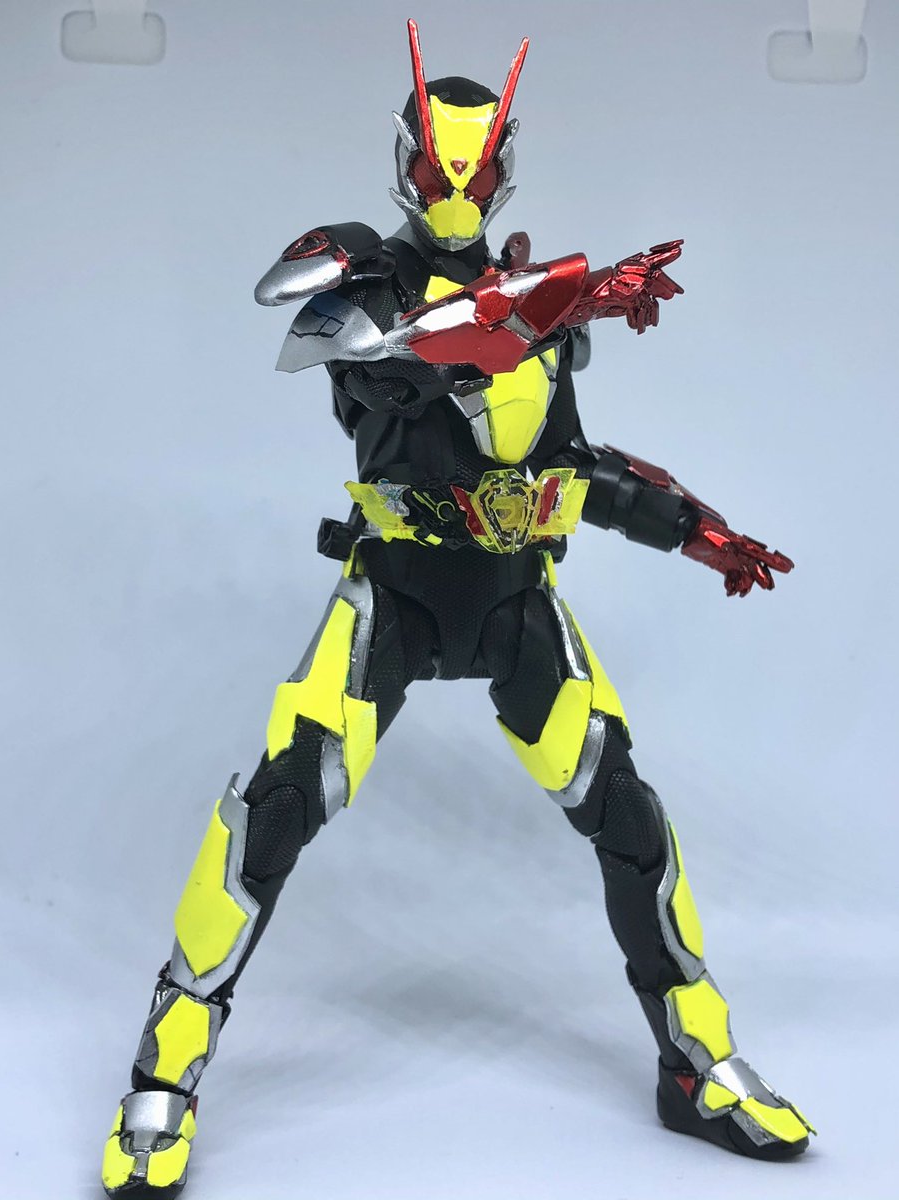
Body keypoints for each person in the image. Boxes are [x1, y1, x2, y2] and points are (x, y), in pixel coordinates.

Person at [101, 20, 812, 1198]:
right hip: (396, 595)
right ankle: (161, 1077)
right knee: (272, 818)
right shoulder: (360, 278)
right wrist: (547, 303)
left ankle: (698, 1063)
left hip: (514, 599)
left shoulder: (542, 310)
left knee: (630, 822)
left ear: (504, 167)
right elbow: (393, 373)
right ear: (406, 159)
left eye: (474, 168)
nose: (455, 188)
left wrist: (699, 532)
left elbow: (574, 469)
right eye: (437, 165)